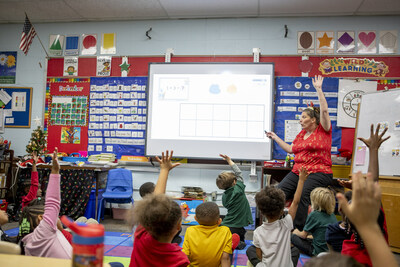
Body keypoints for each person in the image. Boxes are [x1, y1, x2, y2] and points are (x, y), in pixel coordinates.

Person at [266, 75, 333, 230]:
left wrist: (318, 89)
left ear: (313, 120)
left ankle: (298, 229)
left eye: (303, 117)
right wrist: (275, 137)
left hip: (319, 172)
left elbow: (323, 110)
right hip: (298, 171)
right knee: (278, 193)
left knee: (303, 195)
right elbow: (290, 149)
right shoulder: (301, 135)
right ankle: (276, 223)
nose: (300, 120)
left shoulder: (323, 131)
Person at [339, 124, 391, 267]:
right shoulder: (380, 242)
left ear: (348, 226)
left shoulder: (349, 252)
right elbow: (372, 184)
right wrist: (373, 149)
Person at [129, 150, 189, 267]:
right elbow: (155, 202)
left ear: (146, 220)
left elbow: (155, 202)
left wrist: (164, 170)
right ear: (178, 225)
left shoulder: (140, 237)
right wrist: (165, 170)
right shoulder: (180, 259)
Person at [246, 166, 308, 267]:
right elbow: (296, 202)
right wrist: (301, 180)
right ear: (282, 210)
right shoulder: (286, 223)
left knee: (250, 250)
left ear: (261, 212)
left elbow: (259, 256)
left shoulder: (258, 232)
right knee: (295, 251)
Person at [20, 148, 72, 258]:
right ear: (40, 218)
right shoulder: (45, 231)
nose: (39, 190)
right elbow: (53, 201)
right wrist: (55, 171)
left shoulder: (27, 242)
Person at [216, 154, 253, 249]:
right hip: (237, 226)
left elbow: (226, 205)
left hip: (226, 224)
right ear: (234, 182)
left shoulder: (224, 196)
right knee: (241, 241)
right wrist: (229, 160)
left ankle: (227, 241)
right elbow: (238, 172)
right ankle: (236, 243)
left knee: (227, 237)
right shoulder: (239, 189)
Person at [182, 202, 233, 267]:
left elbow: (185, 255)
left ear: (195, 219)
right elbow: (225, 258)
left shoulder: (190, 230)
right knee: (229, 253)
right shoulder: (225, 231)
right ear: (219, 221)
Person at [291, 187, 337, 256]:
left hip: (317, 252)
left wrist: (295, 231)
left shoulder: (314, 214)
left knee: (291, 236)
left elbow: (303, 235)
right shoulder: (332, 215)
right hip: (329, 251)